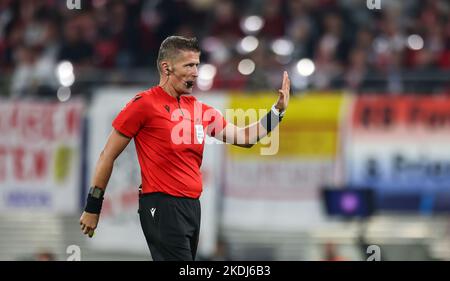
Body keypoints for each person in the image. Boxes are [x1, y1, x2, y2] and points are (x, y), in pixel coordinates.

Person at [79, 36, 290, 261]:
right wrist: (93, 206)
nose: (196, 72)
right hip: (161, 206)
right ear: (166, 67)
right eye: (189, 65)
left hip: (191, 207)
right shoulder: (144, 104)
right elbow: (107, 155)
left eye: (197, 65)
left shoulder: (199, 110)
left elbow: (246, 137)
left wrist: (277, 112)